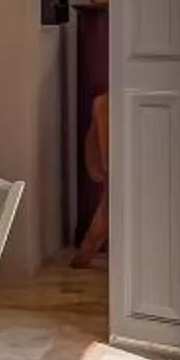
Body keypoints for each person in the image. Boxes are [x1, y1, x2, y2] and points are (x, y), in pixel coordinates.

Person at [72, 90, 110, 268]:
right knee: (112, 200)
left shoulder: (105, 103)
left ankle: (84, 254)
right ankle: (84, 254)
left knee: (111, 201)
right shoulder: (106, 105)